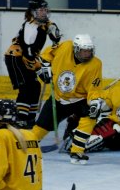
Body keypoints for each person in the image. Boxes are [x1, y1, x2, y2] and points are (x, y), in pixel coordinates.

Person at [31, 34, 103, 165]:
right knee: (41, 127)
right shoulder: (65, 46)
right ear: (75, 49)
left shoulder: (96, 64)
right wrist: (44, 67)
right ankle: (26, 148)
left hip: (79, 99)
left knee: (91, 115)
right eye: (84, 51)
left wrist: (94, 102)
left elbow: (94, 88)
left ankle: (77, 151)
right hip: (58, 98)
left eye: (89, 50)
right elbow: (47, 54)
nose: (87, 54)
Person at [5, 0, 62, 128]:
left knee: (35, 88)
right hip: (16, 59)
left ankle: (30, 119)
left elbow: (53, 32)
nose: (44, 12)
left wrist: (54, 30)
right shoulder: (30, 27)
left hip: (27, 58)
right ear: (33, 12)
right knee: (26, 88)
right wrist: (41, 68)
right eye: (41, 10)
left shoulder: (43, 23)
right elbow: (29, 52)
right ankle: (21, 119)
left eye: (45, 10)